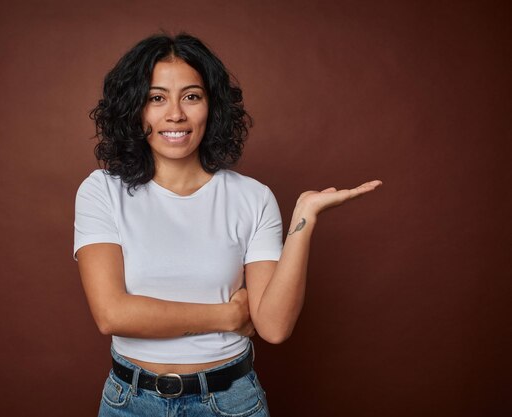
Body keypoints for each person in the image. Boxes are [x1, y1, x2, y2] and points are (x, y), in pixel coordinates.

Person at [74, 33, 382, 417]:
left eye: (191, 96)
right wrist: (227, 316)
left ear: (211, 106)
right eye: (156, 98)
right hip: (130, 402)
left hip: (230, 402)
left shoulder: (252, 198)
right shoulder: (102, 191)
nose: (175, 114)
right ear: (134, 109)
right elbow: (112, 314)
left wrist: (304, 217)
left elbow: (273, 327)